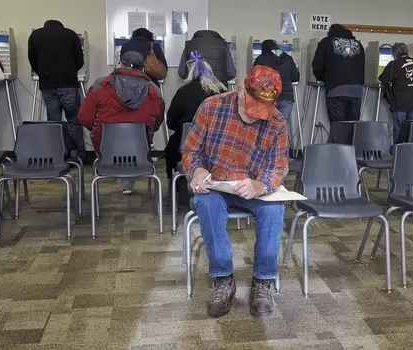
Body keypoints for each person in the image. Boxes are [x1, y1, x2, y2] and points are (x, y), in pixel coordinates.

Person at [182, 65, 288, 318]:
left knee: (274, 207)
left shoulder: (277, 122)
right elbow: (191, 152)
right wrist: (196, 171)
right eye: (250, 108)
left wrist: (262, 184)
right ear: (240, 89)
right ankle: (223, 279)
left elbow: (278, 164)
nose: (254, 117)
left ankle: (263, 281)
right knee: (207, 203)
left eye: (260, 112)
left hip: (252, 187)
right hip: (216, 184)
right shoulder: (210, 107)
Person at [78, 51, 165, 195]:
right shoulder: (154, 90)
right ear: (142, 68)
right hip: (140, 148)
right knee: (138, 141)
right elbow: (157, 123)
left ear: (120, 64)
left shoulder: (100, 85)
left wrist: (98, 131)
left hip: (105, 148)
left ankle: (124, 182)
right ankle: (127, 183)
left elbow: (84, 118)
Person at [165, 51, 227, 184]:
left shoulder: (183, 91)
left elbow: (170, 122)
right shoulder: (222, 91)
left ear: (190, 72)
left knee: (172, 146)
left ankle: (176, 187)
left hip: (186, 146)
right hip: (219, 149)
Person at [28, 20, 86, 160]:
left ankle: (58, 156)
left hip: (48, 84)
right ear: (61, 25)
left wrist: (43, 73)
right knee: (74, 120)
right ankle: (79, 156)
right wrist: (70, 71)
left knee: (54, 122)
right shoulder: (71, 35)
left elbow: (32, 59)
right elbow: (80, 60)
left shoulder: (35, 35)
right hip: (68, 83)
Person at [312, 24, 365, 123]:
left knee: (338, 126)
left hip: (335, 88)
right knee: (353, 125)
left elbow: (317, 65)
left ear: (330, 33)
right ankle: (352, 139)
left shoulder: (326, 42)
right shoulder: (358, 44)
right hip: (356, 90)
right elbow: (362, 66)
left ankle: (339, 139)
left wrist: (324, 79)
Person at [379, 42, 413, 143]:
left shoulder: (394, 64)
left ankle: (397, 152)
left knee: (399, 129)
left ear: (395, 53)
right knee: (412, 129)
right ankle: (410, 152)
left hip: (401, 101)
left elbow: (382, 79)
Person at [253, 39, 300, 119]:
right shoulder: (288, 58)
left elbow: (253, 78)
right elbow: (296, 77)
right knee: (281, 127)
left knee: (266, 127)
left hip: (267, 97)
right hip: (286, 97)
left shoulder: (260, 59)